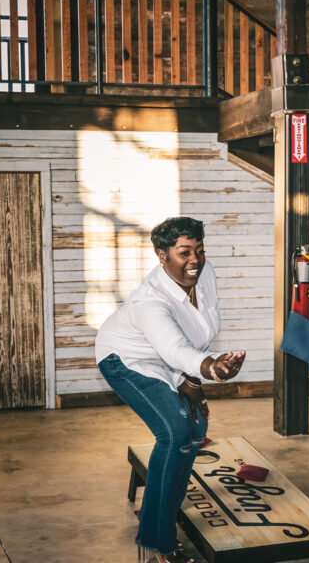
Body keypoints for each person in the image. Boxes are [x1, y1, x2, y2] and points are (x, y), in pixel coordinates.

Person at [95, 216, 246, 563]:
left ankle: (161, 513)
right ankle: (156, 542)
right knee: (176, 432)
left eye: (199, 250)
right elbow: (174, 348)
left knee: (197, 426)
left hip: (169, 360)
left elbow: (196, 335)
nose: (195, 260)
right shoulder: (150, 300)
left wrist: (190, 381)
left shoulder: (203, 274)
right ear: (162, 256)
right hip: (125, 358)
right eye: (184, 253)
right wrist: (209, 368)